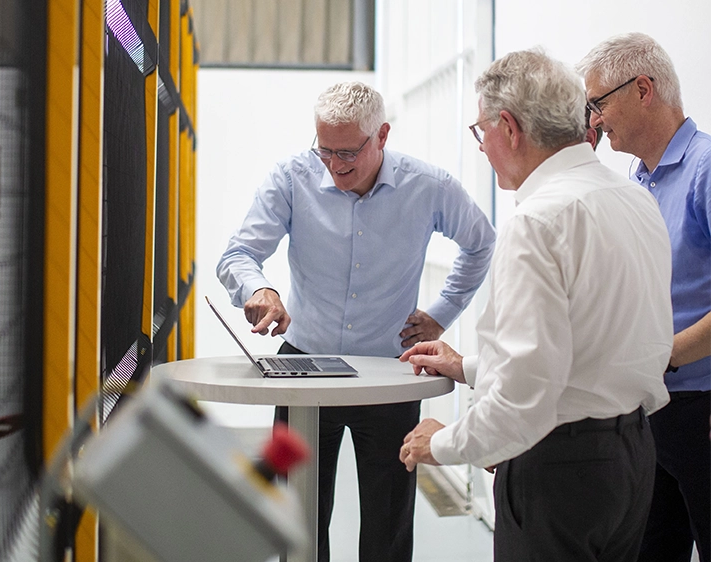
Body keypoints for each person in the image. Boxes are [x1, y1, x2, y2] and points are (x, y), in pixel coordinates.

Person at [398, 49, 674, 561]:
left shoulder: (538, 221)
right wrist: (468, 367)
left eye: (481, 132)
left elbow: (525, 395)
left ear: (508, 127)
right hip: (632, 456)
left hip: (558, 469)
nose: (482, 148)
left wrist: (442, 442)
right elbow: (597, 345)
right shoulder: (634, 199)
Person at [217, 81, 495, 562]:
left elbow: (480, 243)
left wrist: (441, 314)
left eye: (347, 152)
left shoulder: (428, 186)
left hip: (390, 375)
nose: (335, 165)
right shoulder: (292, 178)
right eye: (324, 151)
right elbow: (238, 254)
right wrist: (259, 290)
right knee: (296, 517)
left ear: (382, 135)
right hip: (302, 371)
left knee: (389, 524)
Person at [577, 32, 711, 562]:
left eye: (598, 103)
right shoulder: (640, 180)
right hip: (652, 404)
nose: (594, 120)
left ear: (642, 90)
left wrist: (662, 355)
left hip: (700, 403)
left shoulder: (705, 169)